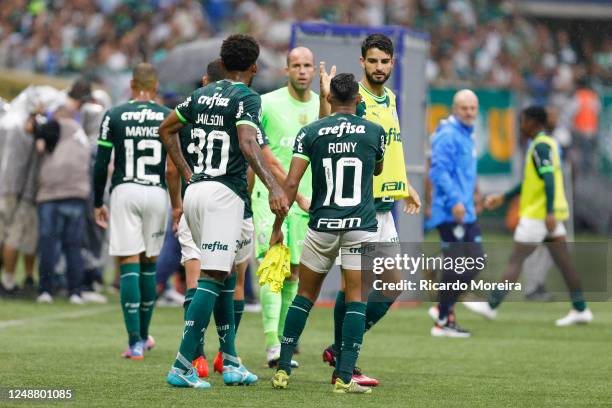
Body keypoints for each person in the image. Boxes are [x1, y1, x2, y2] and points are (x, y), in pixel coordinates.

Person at [160, 34, 288, 389]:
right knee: (213, 279)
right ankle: (183, 364)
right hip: (224, 195)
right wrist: (274, 186)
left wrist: (188, 173)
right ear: (253, 67)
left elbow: (166, 129)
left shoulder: (200, 95)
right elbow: (248, 141)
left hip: (197, 191)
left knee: (227, 274)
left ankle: (230, 360)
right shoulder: (247, 97)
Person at [270, 73, 385, 394]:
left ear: (328, 99)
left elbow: (290, 184)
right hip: (360, 226)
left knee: (304, 296)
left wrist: (278, 227)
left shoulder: (310, 133)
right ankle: (345, 377)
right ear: (358, 100)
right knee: (356, 299)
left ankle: (282, 369)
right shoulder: (374, 132)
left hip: (321, 225)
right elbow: (376, 168)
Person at [318, 33, 421, 385]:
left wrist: (405, 185)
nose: (379, 67)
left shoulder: (390, 97)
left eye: (385, 61)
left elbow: (386, 148)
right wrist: (323, 99)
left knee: (392, 285)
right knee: (355, 289)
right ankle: (344, 365)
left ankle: (339, 348)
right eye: (373, 61)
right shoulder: (355, 100)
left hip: (385, 205)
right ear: (361, 61)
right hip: (361, 207)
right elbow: (329, 134)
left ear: (393, 63)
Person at [466, 106, 593, 326]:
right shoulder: (548, 144)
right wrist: (504, 197)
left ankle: (491, 305)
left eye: (523, 121)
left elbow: (549, 180)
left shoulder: (540, 146)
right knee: (565, 264)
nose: (521, 125)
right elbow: (532, 181)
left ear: (534, 123)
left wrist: (550, 212)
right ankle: (581, 308)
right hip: (547, 215)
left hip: (538, 215)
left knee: (516, 260)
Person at [93, 63, 170, 360]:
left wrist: (97, 201)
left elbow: (100, 164)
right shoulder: (167, 116)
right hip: (156, 191)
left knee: (128, 263)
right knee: (149, 264)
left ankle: (135, 341)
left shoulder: (114, 114)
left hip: (125, 190)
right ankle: (146, 334)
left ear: (132, 84)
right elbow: (175, 164)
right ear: (155, 86)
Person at [254, 46, 318, 368]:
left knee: (293, 272)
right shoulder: (267, 103)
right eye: (297, 65)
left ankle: (283, 346)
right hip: (271, 197)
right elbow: (260, 150)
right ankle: (270, 344)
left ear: (314, 69)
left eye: (307, 65)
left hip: (306, 200)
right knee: (271, 266)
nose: (302, 71)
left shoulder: (323, 105)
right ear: (286, 70)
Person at [426, 89, 482, 337]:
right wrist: (456, 201)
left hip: (465, 211)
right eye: (464, 108)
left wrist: (476, 196)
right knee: (461, 264)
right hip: (450, 212)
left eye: (472, 108)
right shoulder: (448, 135)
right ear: (454, 109)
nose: (469, 112)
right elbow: (438, 172)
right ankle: (443, 318)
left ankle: (443, 310)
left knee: (474, 261)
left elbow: (464, 173)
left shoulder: (466, 134)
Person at [33, 110, 91, 304]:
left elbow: (40, 146)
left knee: (49, 244)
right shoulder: (80, 134)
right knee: (73, 246)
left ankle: (45, 290)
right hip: (77, 194)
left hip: (51, 193)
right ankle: (75, 291)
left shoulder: (54, 125)